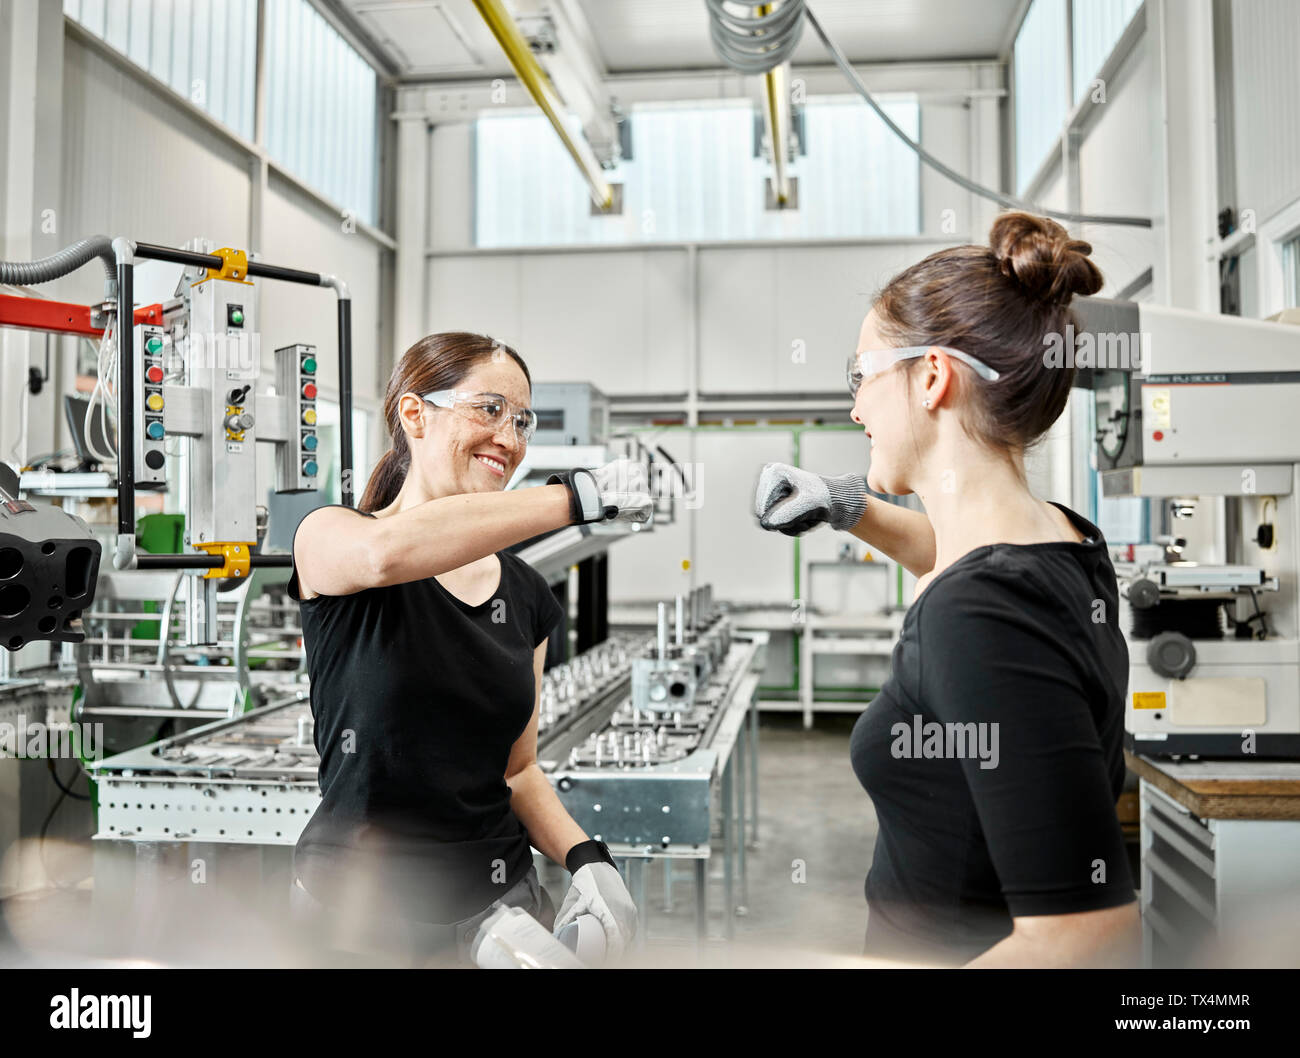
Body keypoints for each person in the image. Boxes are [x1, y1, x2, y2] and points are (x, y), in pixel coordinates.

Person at [754, 212, 1140, 967]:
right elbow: (959, 557)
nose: (856, 406)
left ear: (932, 377)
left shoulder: (981, 614)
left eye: (861, 375)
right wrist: (848, 504)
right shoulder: (1065, 540)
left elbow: (1085, 933)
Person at [288, 331, 647, 965]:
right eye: (489, 409)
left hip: (505, 903)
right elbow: (386, 554)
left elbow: (518, 769)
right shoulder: (332, 537)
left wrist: (587, 859)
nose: (509, 438)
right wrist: (576, 498)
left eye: (523, 420)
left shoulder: (529, 594)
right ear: (414, 413)